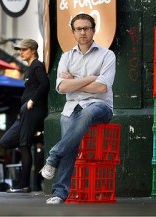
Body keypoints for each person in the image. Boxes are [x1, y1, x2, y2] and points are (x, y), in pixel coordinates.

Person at [40, 13, 116, 204]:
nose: (83, 32)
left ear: (93, 29)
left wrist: (73, 81)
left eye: (86, 28)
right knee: (71, 140)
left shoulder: (107, 55)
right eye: (78, 29)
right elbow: (61, 87)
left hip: (100, 106)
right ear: (73, 32)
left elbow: (101, 87)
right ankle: (59, 193)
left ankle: (52, 157)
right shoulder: (66, 57)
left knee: (88, 112)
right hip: (72, 107)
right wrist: (90, 78)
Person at [0, 39, 50, 193]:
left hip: (32, 111)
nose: (20, 52)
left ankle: (24, 184)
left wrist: (32, 100)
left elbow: (45, 84)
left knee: (24, 145)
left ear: (32, 50)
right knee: (5, 141)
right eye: (19, 50)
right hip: (24, 113)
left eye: (24, 49)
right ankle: (37, 136)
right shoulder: (29, 69)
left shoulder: (37, 65)